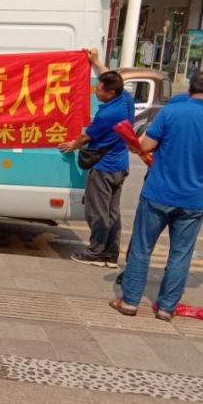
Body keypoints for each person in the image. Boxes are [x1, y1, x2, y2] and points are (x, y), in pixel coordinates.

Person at [110, 71, 203, 321]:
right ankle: (166, 307)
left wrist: (135, 143)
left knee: (142, 248)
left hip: (158, 193)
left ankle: (130, 302)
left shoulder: (172, 111)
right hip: (194, 199)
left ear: (190, 89)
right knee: (181, 254)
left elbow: (146, 145)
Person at [58, 70, 135, 268]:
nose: (96, 92)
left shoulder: (107, 114)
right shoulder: (126, 100)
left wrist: (73, 145)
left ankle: (95, 252)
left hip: (104, 168)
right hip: (120, 165)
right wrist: (97, 62)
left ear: (111, 93)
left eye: (99, 90)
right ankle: (110, 254)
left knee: (97, 212)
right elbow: (113, 76)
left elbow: (86, 136)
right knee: (112, 212)